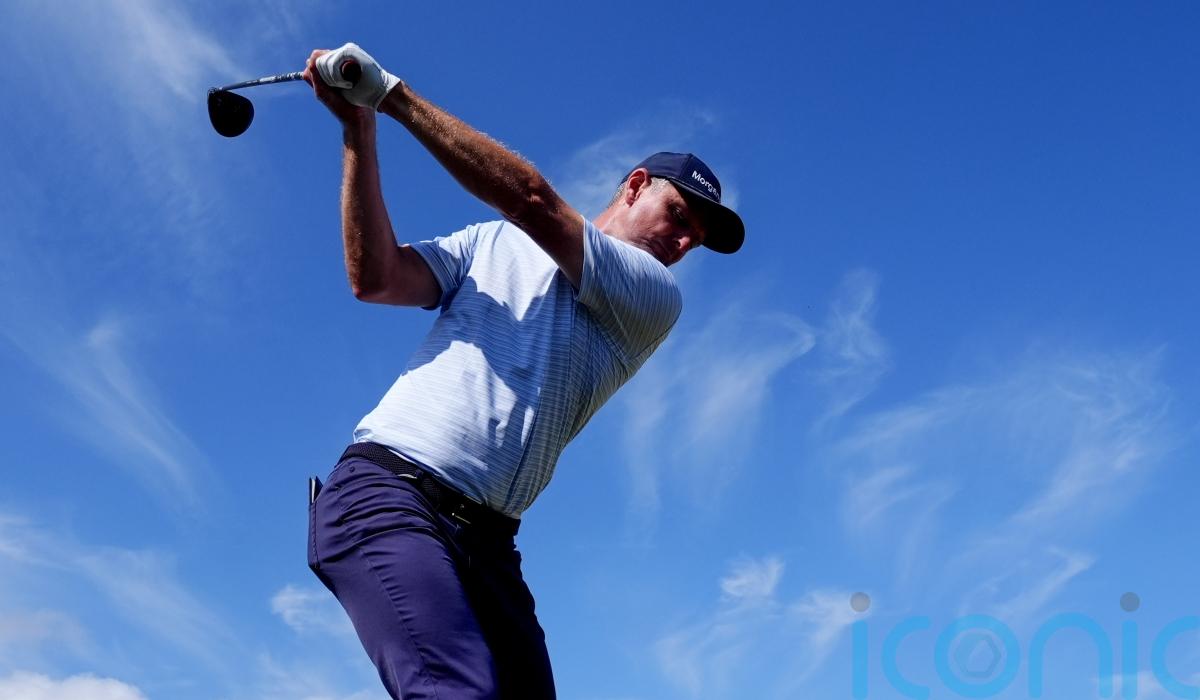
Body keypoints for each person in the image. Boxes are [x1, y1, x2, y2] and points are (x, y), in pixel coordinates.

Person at [301, 43, 745, 700]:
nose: (681, 243)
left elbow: (532, 200)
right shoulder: (491, 241)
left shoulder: (652, 296)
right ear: (633, 186)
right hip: (390, 493)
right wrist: (358, 130)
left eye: (694, 240)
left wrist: (390, 94)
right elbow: (377, 277)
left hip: (489, 544)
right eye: (678, 216)